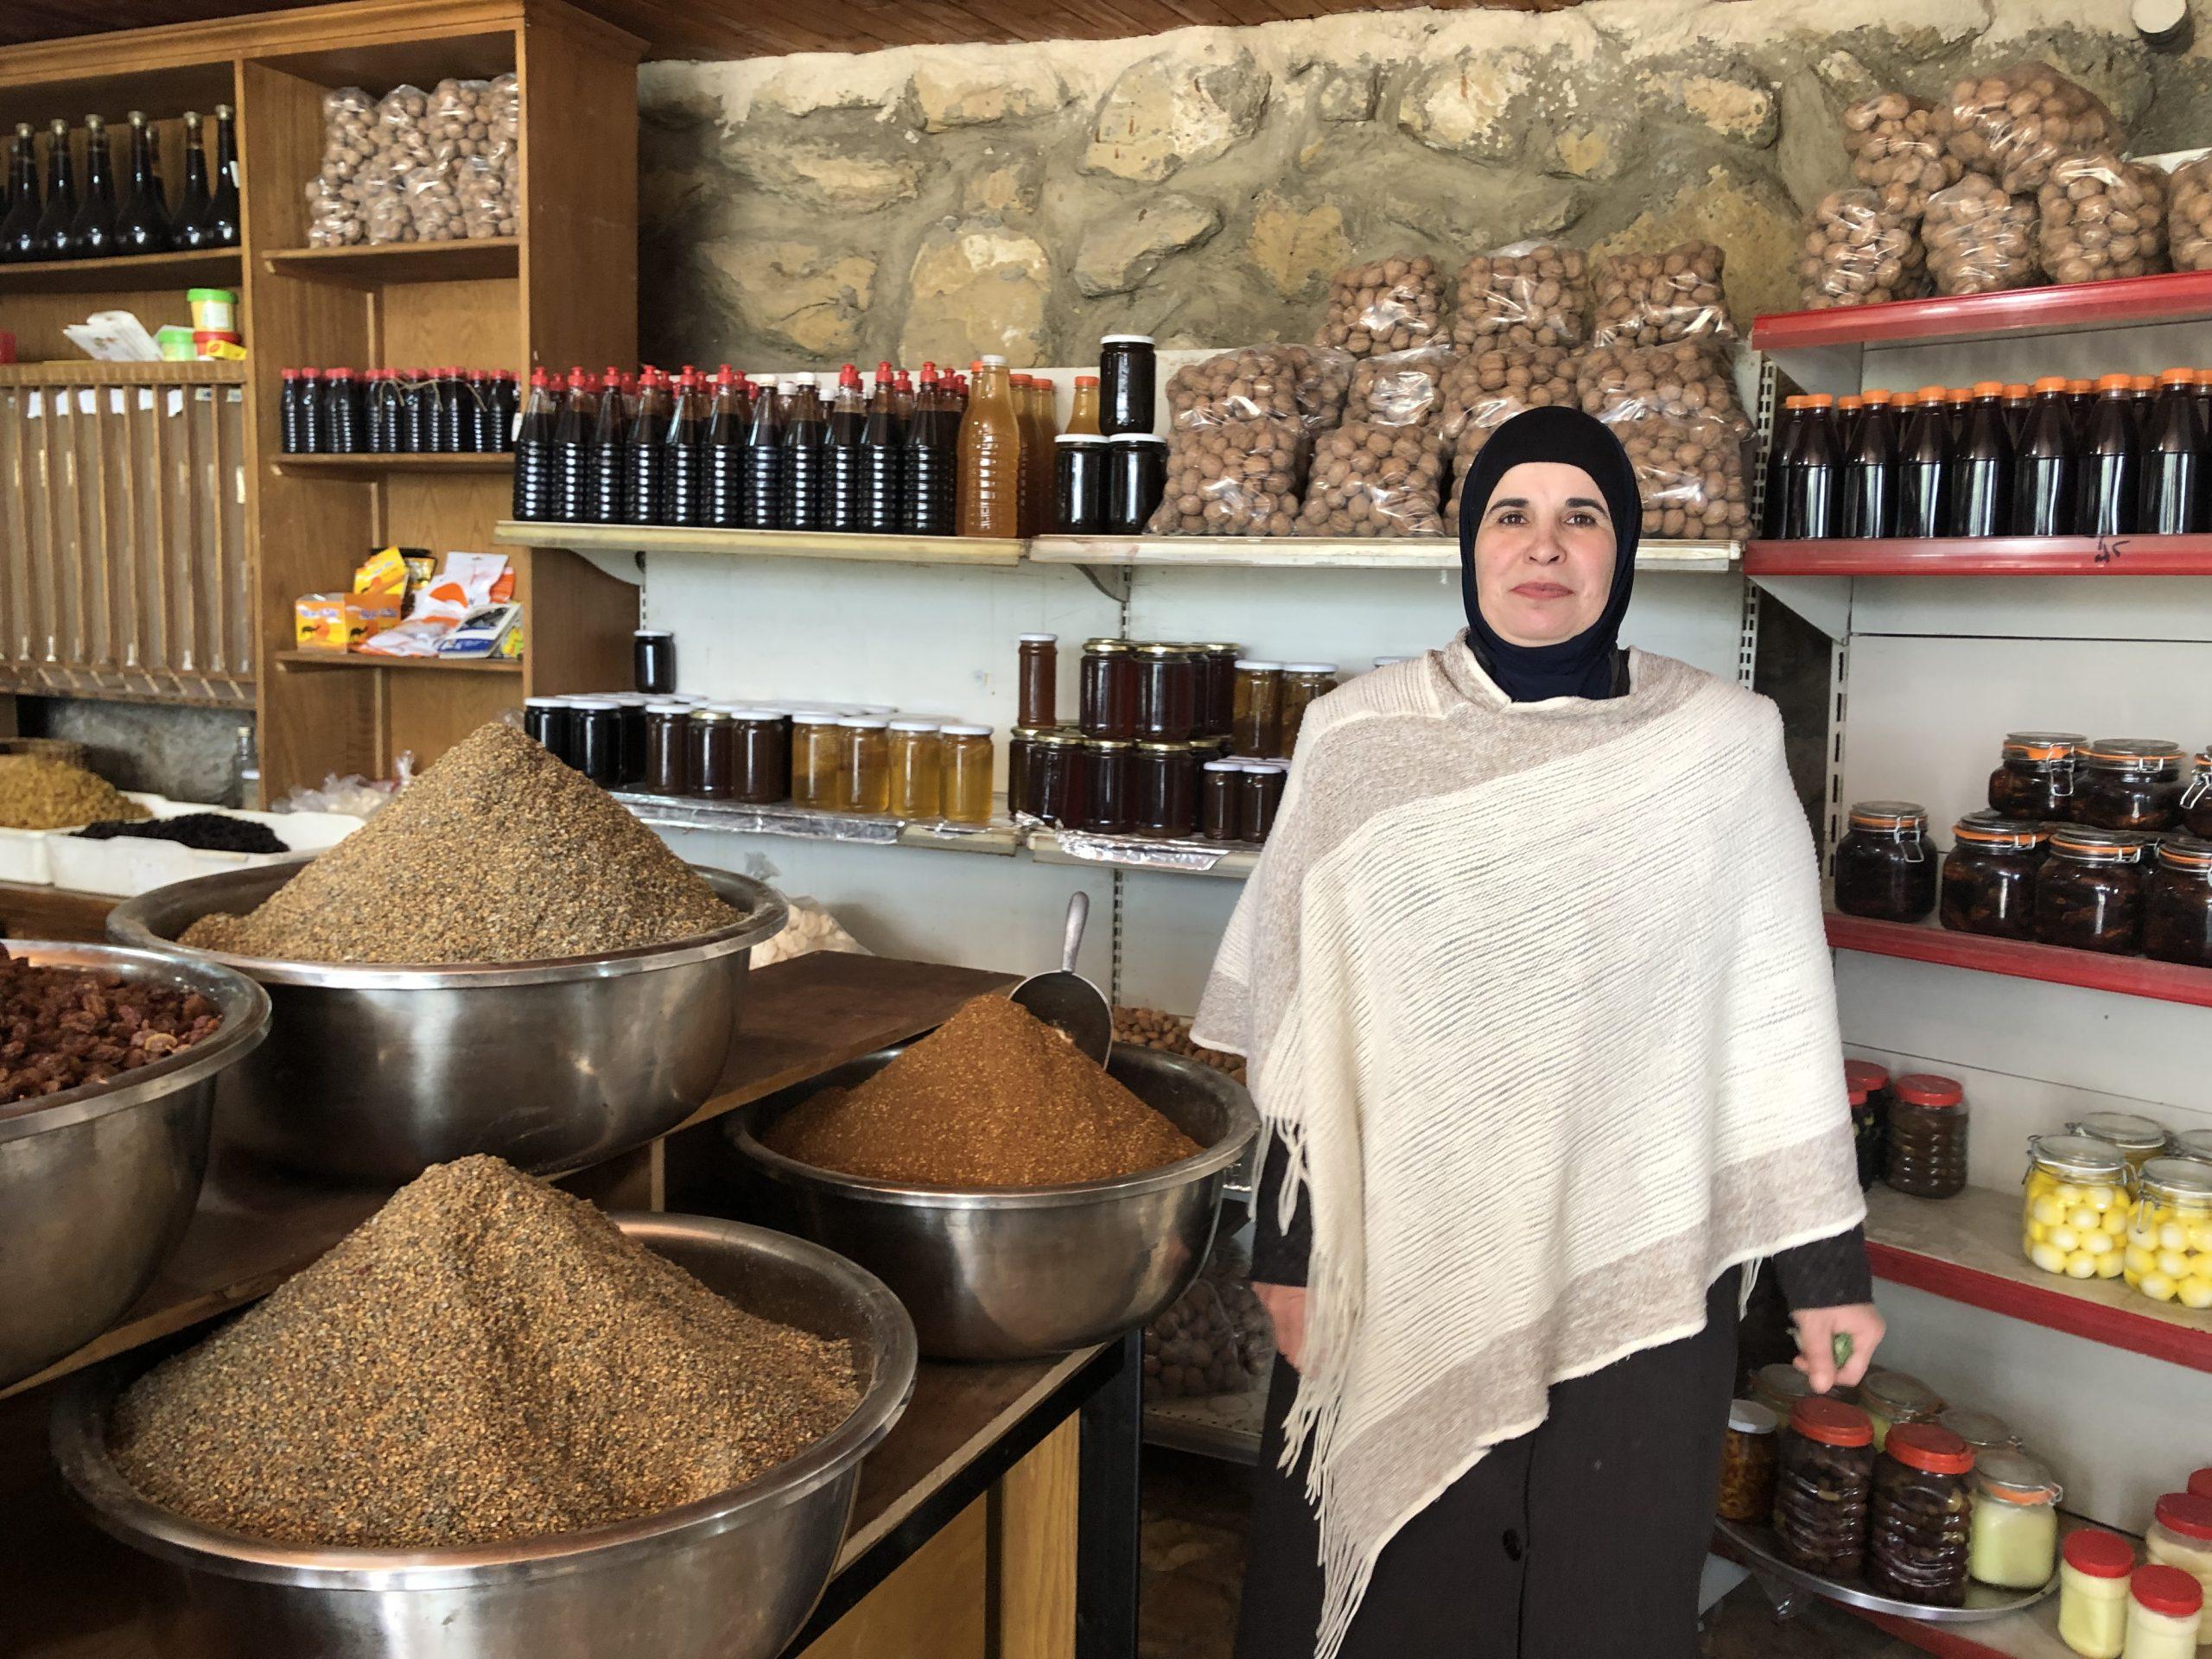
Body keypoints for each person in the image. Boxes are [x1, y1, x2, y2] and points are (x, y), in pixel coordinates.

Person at [1192, 407, 1883, 1659]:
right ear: (1472, 546)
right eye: (1511, 514)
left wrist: (1827, 1275)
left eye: (1583, 516)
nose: (1544, 545)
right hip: (1392, 1254)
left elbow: (1777, 1027)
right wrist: (1290, 1255)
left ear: (1625, 550)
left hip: (1633, 1269)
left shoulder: (1722, 750)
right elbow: (1306, 1031)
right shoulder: (1359, 739)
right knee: (1395, 1609)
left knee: (1598, 1593)